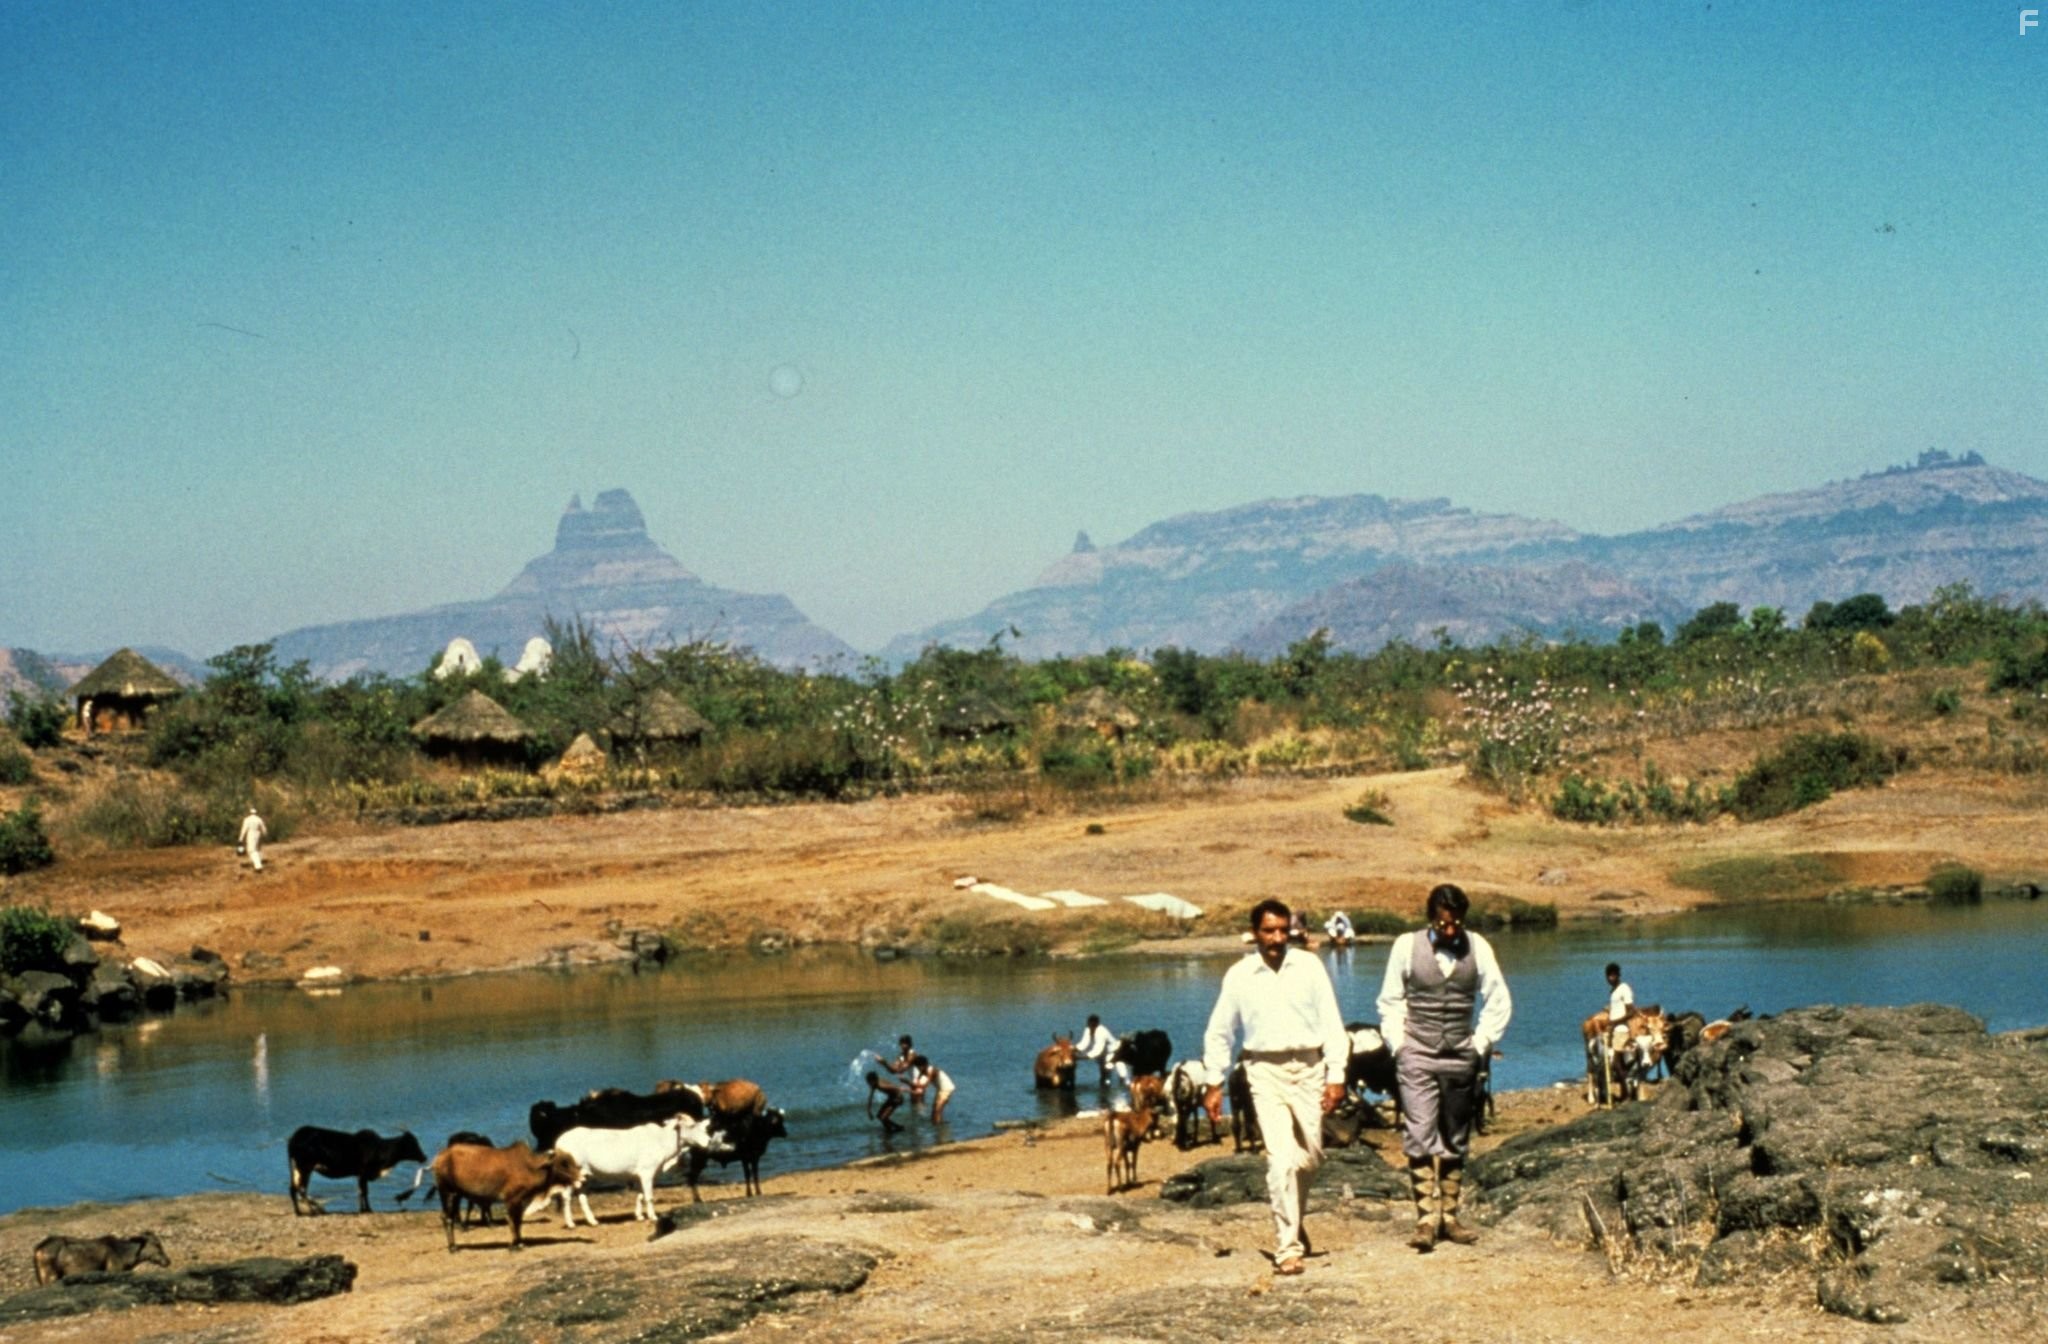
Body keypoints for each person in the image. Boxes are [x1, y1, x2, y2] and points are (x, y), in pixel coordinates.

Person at [1201, 898, 1348, 1277]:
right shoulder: (1239, 975)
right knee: (1280, 1160)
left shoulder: (1309, 967)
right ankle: (1288, 1247)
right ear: (1255, 933)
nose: (1277, 938)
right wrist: (1214, 1081)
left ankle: (1293, 1218)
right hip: (1263, 1070)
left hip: (1310, 1066)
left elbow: (1331, 1021)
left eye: (1283, 930)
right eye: (1269, 931)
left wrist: (1336, 1074)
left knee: (1311, 1157)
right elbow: (1220, 1031)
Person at [1377, 883, 1512, 1252]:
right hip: (1416, 1052)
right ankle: (1425, 1220)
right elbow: (1390, 1000)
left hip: (1460, 1053)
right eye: (1442, 924)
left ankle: (1449, 1218)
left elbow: (1498, 999)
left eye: (1456, 924)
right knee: (1419, 1130)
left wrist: (1480, 1043)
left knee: (1455, 1135)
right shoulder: (1405, 946)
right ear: (1430, 919)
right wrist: (1399, 1045)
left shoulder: (1478, 947)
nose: (1450, 931)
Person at [911, 1053, 956, 1124]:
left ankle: (938, 1126)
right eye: (917, 1067)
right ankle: (938, 1125)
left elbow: (925, 1085)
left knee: (938, 1109)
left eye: (919, 1067)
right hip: (940, 1089)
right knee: (934, 1109)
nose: (918, 1069)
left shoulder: (932, 1070)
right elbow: (918, 1084)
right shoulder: (922, 1072)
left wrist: (908, 1082)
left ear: (925, 1065)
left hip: (947, 1088)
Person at [1076, 1014, 1118, 1088]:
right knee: (1102, 1073)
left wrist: (1080, 1057)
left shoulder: (1102, 1031)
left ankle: (1107, 1089)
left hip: (1112, 1053)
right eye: (1089, 1025)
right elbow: (1084, 1043)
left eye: (1093, 1025)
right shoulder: (1088, 1029)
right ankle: (1103, 1088)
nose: (1091, 1027)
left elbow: (1097, 1050)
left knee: (1107, 1073)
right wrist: (1072, 1049)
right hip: (1102, 1054)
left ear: (1097, 1024)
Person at [1605, 962, 1635, 1050]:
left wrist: (1615, 1022)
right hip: (1613, 1030)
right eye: (1608, 976)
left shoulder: (1624, 988)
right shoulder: (1613, 991)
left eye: (1613, 975)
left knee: (1617, 1057)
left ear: (1618, 975)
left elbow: (1631, 1012)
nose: (1610, 978)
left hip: (1621, 1030)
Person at [238, 807, 268, 873]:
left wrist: (241, 838)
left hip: (251, 834)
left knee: (251, 850)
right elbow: (263, 828)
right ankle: (257, 862)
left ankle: (258, 866)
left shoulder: (247, 819)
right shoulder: (259, 819)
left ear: (250, 813)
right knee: (257, 849)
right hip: (258, 834)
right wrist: (265, 834)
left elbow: (244, 829)